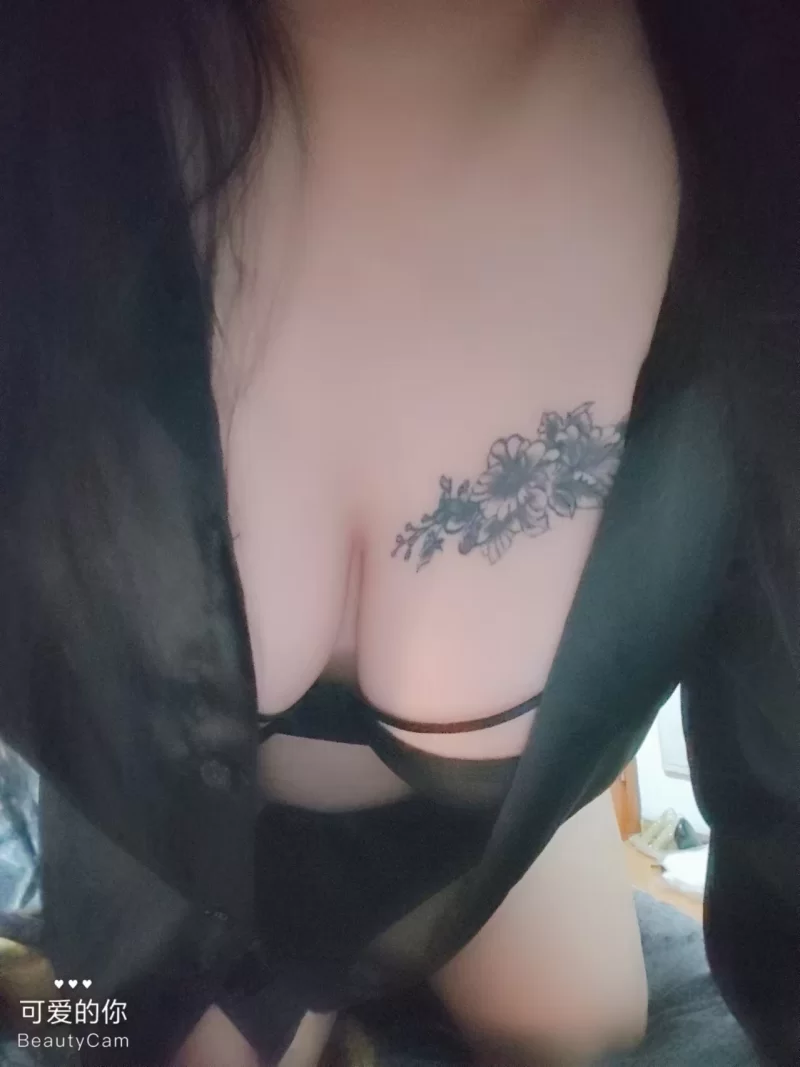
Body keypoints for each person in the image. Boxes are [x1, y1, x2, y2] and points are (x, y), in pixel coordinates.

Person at [0, 0, 797, 1064]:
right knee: (98, 1032)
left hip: (468, 857)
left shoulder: (760, 198)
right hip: (159, 871)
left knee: (585, 1035)